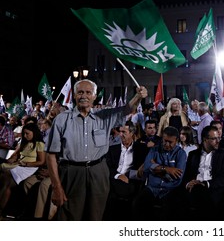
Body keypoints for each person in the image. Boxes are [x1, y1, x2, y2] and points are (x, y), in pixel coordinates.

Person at [45, 79, 147, 221]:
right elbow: (50, 155)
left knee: (96, 216)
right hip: (72, 173)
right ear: (74, 95)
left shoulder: (104, 116)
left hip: (99, 172)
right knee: (70, 218)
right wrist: (56, 187)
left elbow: (127, 110)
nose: (84, 96)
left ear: (94, 96)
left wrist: (138, 97)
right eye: (80, 92)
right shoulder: (61, 120)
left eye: (88, 92)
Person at [132, 126, 186, 220]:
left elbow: (177, 177)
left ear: (176, 140)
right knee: (137, 203)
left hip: (170, 189)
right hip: (152, 187)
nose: (167, 144)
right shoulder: (154, 150)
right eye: (165, 141)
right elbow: (146, 167)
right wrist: (167, 169)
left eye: (170, 142)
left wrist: (155, 167)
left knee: (169, 211)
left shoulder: (181, 154)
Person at [182, 125, 224, 220]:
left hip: (213, 188)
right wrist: (188, 183)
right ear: (205, 140)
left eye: (219, 138)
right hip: (193, 188)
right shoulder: (193, 155)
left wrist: (205, 183)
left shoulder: (223, 154)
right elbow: (187, 175)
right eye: (214, 139)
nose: (218, 141)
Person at [104, 121, 149, 220]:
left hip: (130, 181)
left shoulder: (141, 149)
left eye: (124, 132)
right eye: (120, 132)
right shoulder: (112, 149)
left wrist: (127, 176)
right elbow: (108, 167)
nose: (121, 134)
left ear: (132, 133)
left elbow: (142, 169)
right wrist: (118, 176)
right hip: (113, 179)